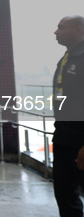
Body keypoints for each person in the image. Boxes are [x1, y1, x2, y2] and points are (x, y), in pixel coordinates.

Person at [53, 15, 84, 217]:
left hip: (80, 143)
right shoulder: (66, 58)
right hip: (63, 139)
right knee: (64, 196)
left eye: (61, 27)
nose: (56, 32)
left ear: (78, 29)